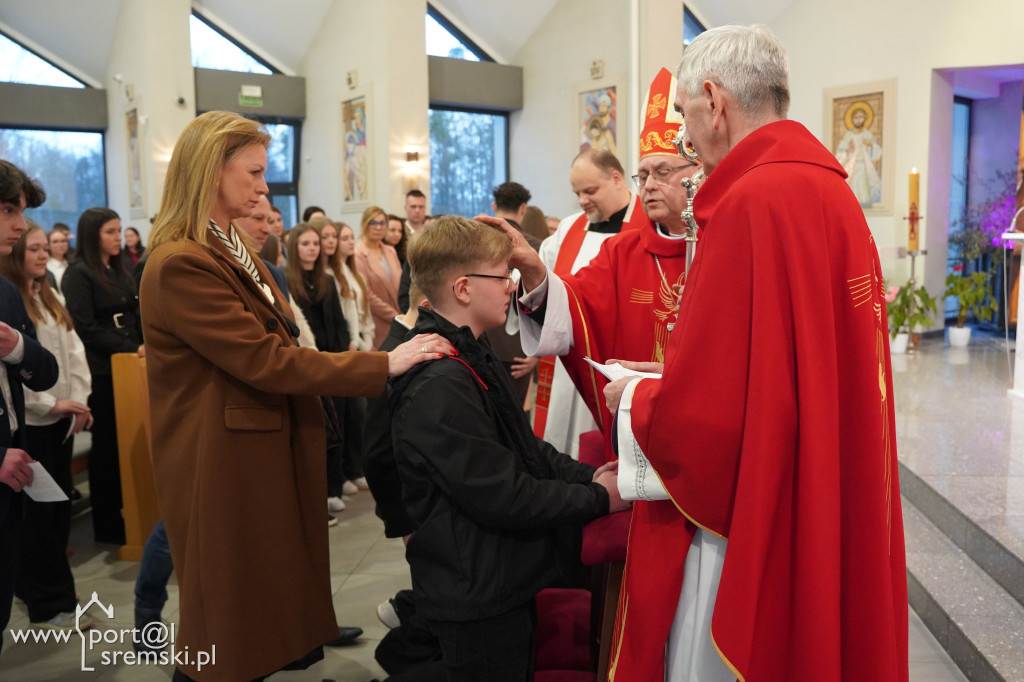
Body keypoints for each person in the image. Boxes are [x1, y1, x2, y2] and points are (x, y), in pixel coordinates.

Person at [601, 26, 908, 681]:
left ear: (715, 100)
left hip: (756, 514)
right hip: (821, 466)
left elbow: (708, 422)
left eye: (684, 114)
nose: (685, 134)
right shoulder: (828, 188)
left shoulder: (747, 201)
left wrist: (635, 398)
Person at [138, 110, 451, 681]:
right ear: (211, 170)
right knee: (226, 616)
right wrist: (382, 363)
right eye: (254, 172)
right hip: (223, 458)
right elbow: (263, 358)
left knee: (260, 601)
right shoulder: (182, 260)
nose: (264, 187)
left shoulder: (229, 245)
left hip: (259, 444)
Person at [390, 215, 628, 681]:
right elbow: (502, 493)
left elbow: (524, 446)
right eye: (502, 276)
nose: (510, 287)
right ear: (462, 289)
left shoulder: (469, 352)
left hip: (499, 577)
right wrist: (600, 499)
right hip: (474, 589)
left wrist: (585, 476)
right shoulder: (440, 380)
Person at [502, 68, 697, 464]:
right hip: (631, 414)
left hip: (700, 417)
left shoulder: (727, 243)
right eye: (643, 176)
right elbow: (572, 302)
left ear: (697, 174)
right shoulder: (622, 251)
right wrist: (532, 268)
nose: (649, 185)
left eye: (662, 172)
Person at [0, 223, 92, 632]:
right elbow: (13, 380)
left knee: (55, 514)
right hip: (34, 421)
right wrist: (50, 403)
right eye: (33, 249)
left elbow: (69, 352)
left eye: (43, 248)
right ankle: (49, 602)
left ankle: (49, 595)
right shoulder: (12, 294)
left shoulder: (48, 293)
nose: (41, 255)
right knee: (38, 521)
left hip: (62, 417)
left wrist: (79, 402)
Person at [532, 147, 652, 459]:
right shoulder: (566, 231)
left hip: (611, 358)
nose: (582, 200)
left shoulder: (648, 228)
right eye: (577, 193)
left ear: (616, 179)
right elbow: (541, 285)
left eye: (589, 191)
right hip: (566, 361)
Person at [0, 159, 60, 656]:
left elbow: (44, 372)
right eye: (6, 210)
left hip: (14, 474)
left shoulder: (3, 291)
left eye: (20, 211)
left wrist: (15, 346)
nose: (20, 225)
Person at [62, 206, 144, 545]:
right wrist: (129, 348)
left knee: (129, 444)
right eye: (111, 231)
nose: (117, 237)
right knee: (108, 447)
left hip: (130, 365)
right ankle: (109, 523)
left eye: (119, 230)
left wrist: (141, 344)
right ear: (93, 234)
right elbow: (87, 328)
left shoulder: (120, 268)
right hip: (104, 371)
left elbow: (134, 313)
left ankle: (135, 513)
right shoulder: (78, 274)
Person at [486, 181, 541, 408]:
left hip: (478, 341)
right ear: (522, 209)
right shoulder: (536, 247)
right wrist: (537, 354)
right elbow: (543, 300)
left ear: (494, 205)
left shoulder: (475, 241)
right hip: (518, 349)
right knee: (514, 416)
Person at [355, 205, 401, 349]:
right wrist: (393, 315)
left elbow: (400, 282)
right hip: (377, 321)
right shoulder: (358, 254)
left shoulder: (390, 251)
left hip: (399, 315)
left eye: (383, 223)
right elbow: (367, 294)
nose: (379, 227)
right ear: (364, 225)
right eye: (373, 223)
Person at [834, 101, 883, 207]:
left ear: (865, 119)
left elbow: (878, 153)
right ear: (852, 119)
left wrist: (871, 145)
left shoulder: (867, 134)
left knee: (865, 192)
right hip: (852, 170)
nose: (858, 119)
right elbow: (838, 157)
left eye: (861, 117)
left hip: (865, 168)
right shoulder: (848, 136)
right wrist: (848, 151)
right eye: (856, 117)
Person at [46, 224, 71, 291]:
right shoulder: (46, 267)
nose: (60, 244)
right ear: (48, 245)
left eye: (63, 241)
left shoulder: (71, 263)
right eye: (55, 242)